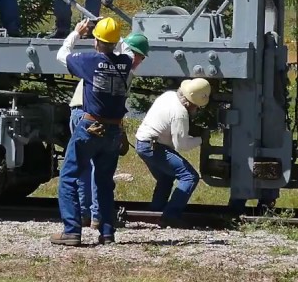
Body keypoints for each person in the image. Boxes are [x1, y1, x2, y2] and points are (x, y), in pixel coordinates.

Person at [52, 17, 132, 246]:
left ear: (96, 40)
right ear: (115, 42)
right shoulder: (126, 63)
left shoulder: (89, 61)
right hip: (113, 130)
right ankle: (107, 233)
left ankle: (72, 231)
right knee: (104, 182)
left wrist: (77, 32)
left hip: (90, 127)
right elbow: (125, 49)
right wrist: (116, 33)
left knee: (68, 176)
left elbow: (62, 54)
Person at [69, 31, 148, 230]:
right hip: (86, 114)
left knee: (88, 169)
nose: (138, 59)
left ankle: (89, 216)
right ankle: (92, 217)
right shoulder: (119, 65)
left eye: (141, 56)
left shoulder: (115, 65)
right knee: (91, 170)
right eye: (136, 54)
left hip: (91, 116)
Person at [134, 78, 212, 226]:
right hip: (154, 147)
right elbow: (181, 145)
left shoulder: (169, 95)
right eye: (197, 107)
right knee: (190, 176)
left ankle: (155, 212)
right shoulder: (180, 113)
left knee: (165, 177)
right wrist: (201, 139)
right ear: (192, 104)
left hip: (143, 143)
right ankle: (171, 215)